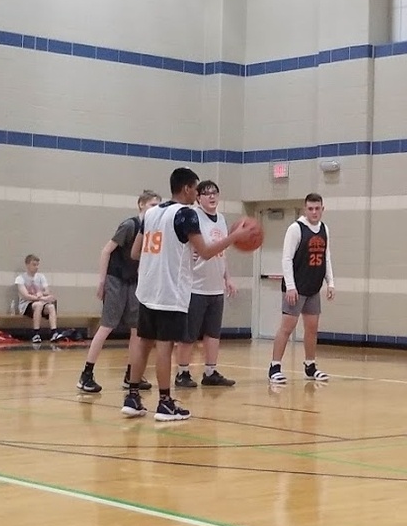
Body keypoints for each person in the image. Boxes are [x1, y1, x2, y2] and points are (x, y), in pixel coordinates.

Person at [122, 168, 253, 421]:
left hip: (147, 288)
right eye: (195, 189)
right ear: (186, 189)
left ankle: (132, 397)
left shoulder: (151, 213)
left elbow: (135, 253)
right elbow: (205, 252)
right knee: (164, 346)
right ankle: (164, 402)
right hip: (170, 290)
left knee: (143, 342)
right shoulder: (185, 215)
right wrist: (234, 237)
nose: (197, 194)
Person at [75, 190, 160, 395]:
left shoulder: (153, 229)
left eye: (158, 206)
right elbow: (106, 251)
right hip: (116, 279)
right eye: (151, 205)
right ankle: (86, 374)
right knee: (106, 326)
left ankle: (132, 375)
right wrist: (102, 281)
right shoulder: (130, 225)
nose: (154, 209)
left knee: (136, 331)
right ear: (141, 205)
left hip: (134, 282)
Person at [173, 180, 237, 389]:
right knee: (188, 334)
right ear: (198, 197)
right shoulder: (193, 217)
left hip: (215, 286)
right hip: (195, 286)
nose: (211, 197)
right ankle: (182, 372)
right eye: (206, 193)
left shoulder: (222, 220)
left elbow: (222, 253)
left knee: (213, 333)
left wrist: (227, 277)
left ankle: (210, 371)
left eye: (215, 193)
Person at [268, 193, 334, 385]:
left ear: (323, 209)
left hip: (313, 286)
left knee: (312, 328)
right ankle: (274, 367)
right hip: (296, 288)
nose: (314, 212)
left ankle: (310, 366)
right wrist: (290, 286)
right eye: (310, 208)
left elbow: (326, 257)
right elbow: (286, 259)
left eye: (317, 208)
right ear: (305, 209)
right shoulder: (296, 229)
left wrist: (331, 282)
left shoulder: (324, 229)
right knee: (287, 328)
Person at [15, 255, 64, 344]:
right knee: (39, 305)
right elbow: (26, 296)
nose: (36, 267)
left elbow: (47, 290)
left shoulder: (41, 277)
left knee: (51, 307)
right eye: (34, 265)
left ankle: (54, 332)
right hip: (26, 305)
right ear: (27, 265)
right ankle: (36, 334)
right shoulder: (20, 279)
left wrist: (42, 294)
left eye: (37, 265)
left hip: (40, 302)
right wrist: (42, 298)